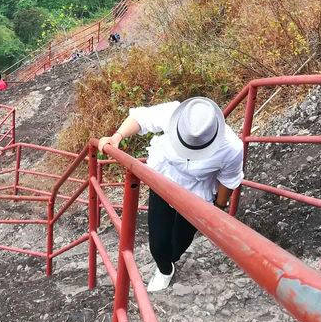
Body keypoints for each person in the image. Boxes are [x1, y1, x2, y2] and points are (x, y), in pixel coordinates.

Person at [98, 96, 243, 293]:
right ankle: (164, 269)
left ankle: (171, 258)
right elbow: (141, 118)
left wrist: (218, 209)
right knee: (158, 245)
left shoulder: (231, 148)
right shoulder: (174, 114)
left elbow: (228, 180)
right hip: (163, 182)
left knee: (180, 242)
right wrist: (116, 137)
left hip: (196, 195)